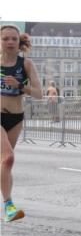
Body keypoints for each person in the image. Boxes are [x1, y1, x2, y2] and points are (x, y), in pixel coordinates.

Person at [2, 25, 42, 222]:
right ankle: (9, 206)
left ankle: (7, 204)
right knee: (8, 158)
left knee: (4, 164)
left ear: (19, 42)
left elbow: (39, 94)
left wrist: (19, 85)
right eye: (5, 39)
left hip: (16, 118)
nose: (9, 42)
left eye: (13, 39)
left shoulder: (25, 64)